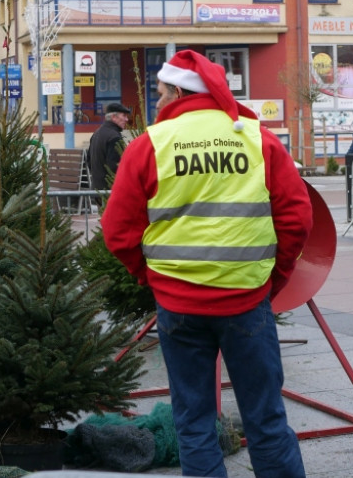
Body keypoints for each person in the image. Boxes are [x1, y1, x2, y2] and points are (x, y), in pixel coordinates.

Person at [102, 50, 312, 478]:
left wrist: (152, 277)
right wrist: (275, 277)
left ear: (179, 90)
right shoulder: (257, 137)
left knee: (194, 422)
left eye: (160, 92)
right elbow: (297, 218)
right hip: (247, 302)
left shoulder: (151, 144)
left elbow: (118, 230)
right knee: (267, 419)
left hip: (179, 307)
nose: (157, 101)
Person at [88, 102, 131, 190]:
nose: (126, 119)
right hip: (109, 191)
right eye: (124, 116)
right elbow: (115, 167)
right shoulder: (114, 137)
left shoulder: (97, 133)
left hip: (97, 190)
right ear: (113, 117)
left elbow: (89, 161)